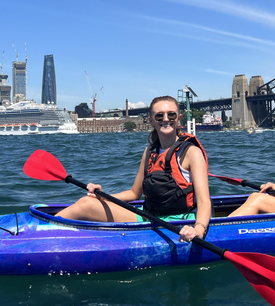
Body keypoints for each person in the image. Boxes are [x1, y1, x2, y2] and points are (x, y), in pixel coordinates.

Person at [57, 95, 211, 242]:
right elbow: (134, 194)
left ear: (178, 118)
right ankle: (44, 229)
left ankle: (43, 231)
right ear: (151, 120)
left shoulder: (191, 152)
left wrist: (198, 229)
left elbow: (204, 201)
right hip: (148, 217)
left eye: (171, 115)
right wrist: (102, 196)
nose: (166, 119)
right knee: (87, 203)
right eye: (159, 116)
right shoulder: (150, 152)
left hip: (178, 221)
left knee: (85, 205)